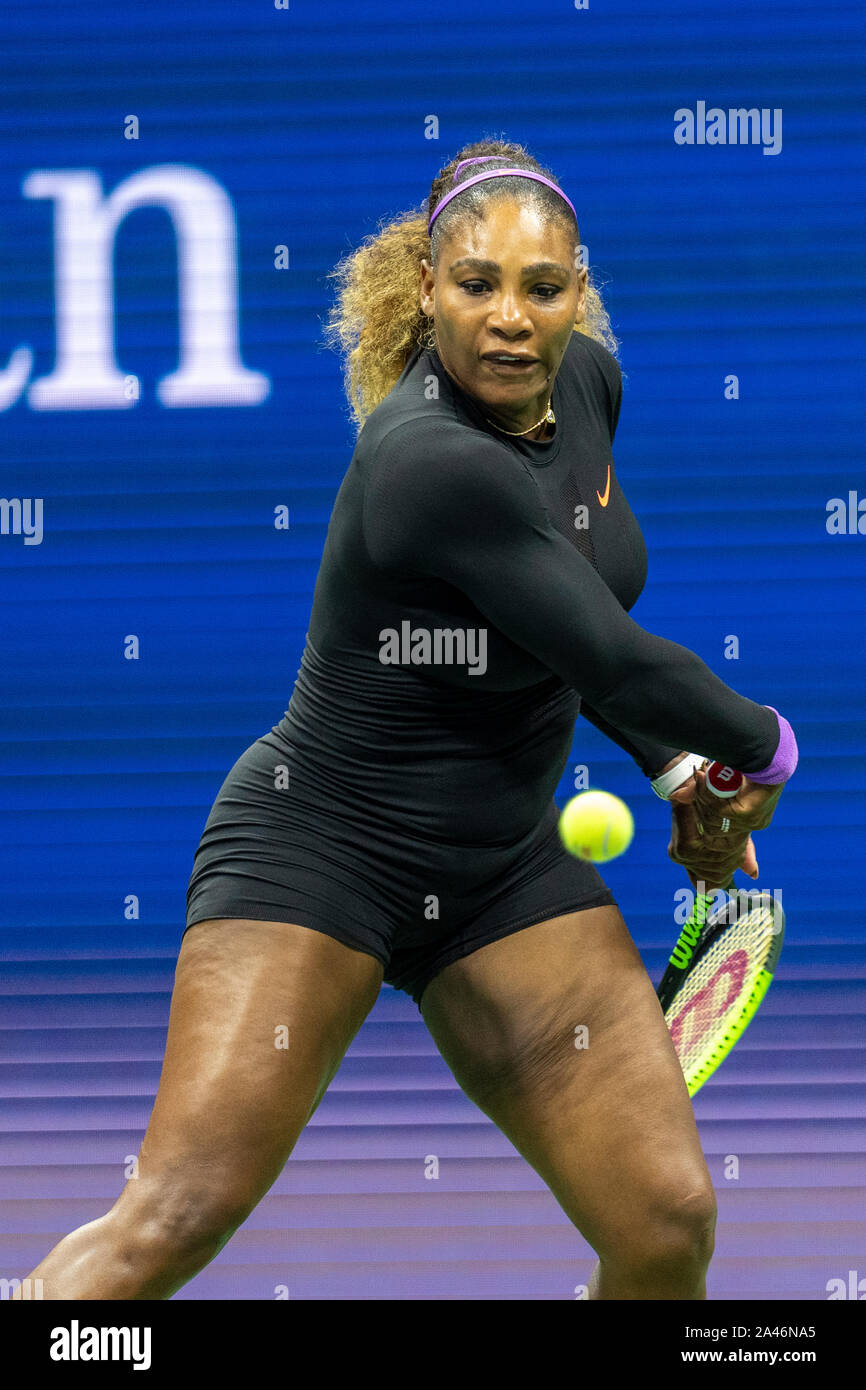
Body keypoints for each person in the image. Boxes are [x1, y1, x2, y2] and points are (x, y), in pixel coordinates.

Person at [14, 137, 797, 1301]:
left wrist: (674, 765)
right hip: (318, 852)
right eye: (475, 284)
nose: (509, 318)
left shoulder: (587, 385)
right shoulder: (425, 463)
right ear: (424, 286)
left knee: (665, 1221)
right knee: (170, 1221)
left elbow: (564, 619)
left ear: (578, 291)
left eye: (541, 288)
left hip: (499, 874)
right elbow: (609, 651)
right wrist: (762, 747)